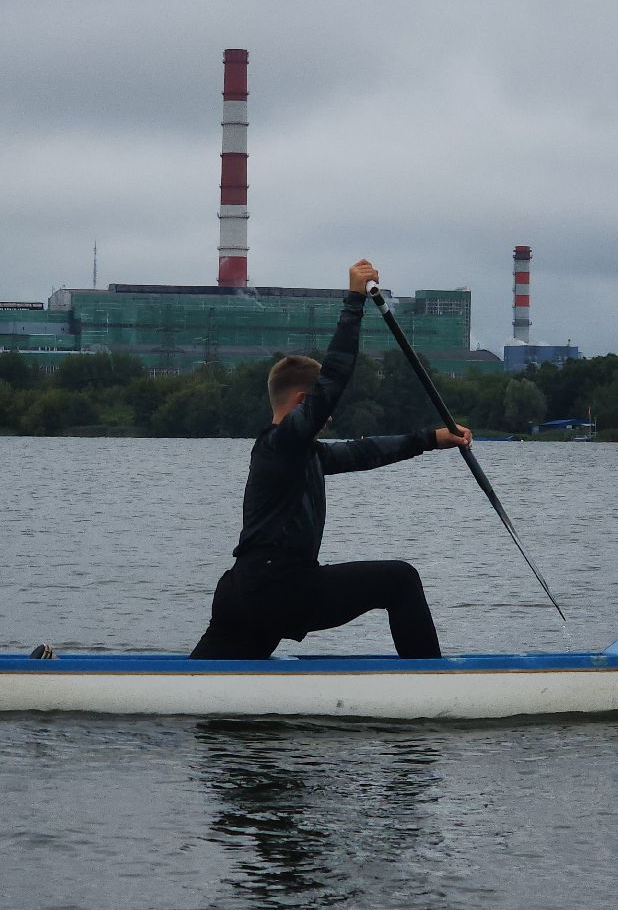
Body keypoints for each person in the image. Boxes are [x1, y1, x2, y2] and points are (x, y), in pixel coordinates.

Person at [190, 259, 471, 660]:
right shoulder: (282, 444)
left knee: (198, 686)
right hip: (278, 589)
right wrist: (354, 301)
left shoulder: (303, 454)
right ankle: (430, 683)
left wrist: (431, 438)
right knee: (401, 581)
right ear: (304, 403)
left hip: (245, 594)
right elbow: (334, 379)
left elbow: (363, 452)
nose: (330, 418)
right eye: (321, 410)